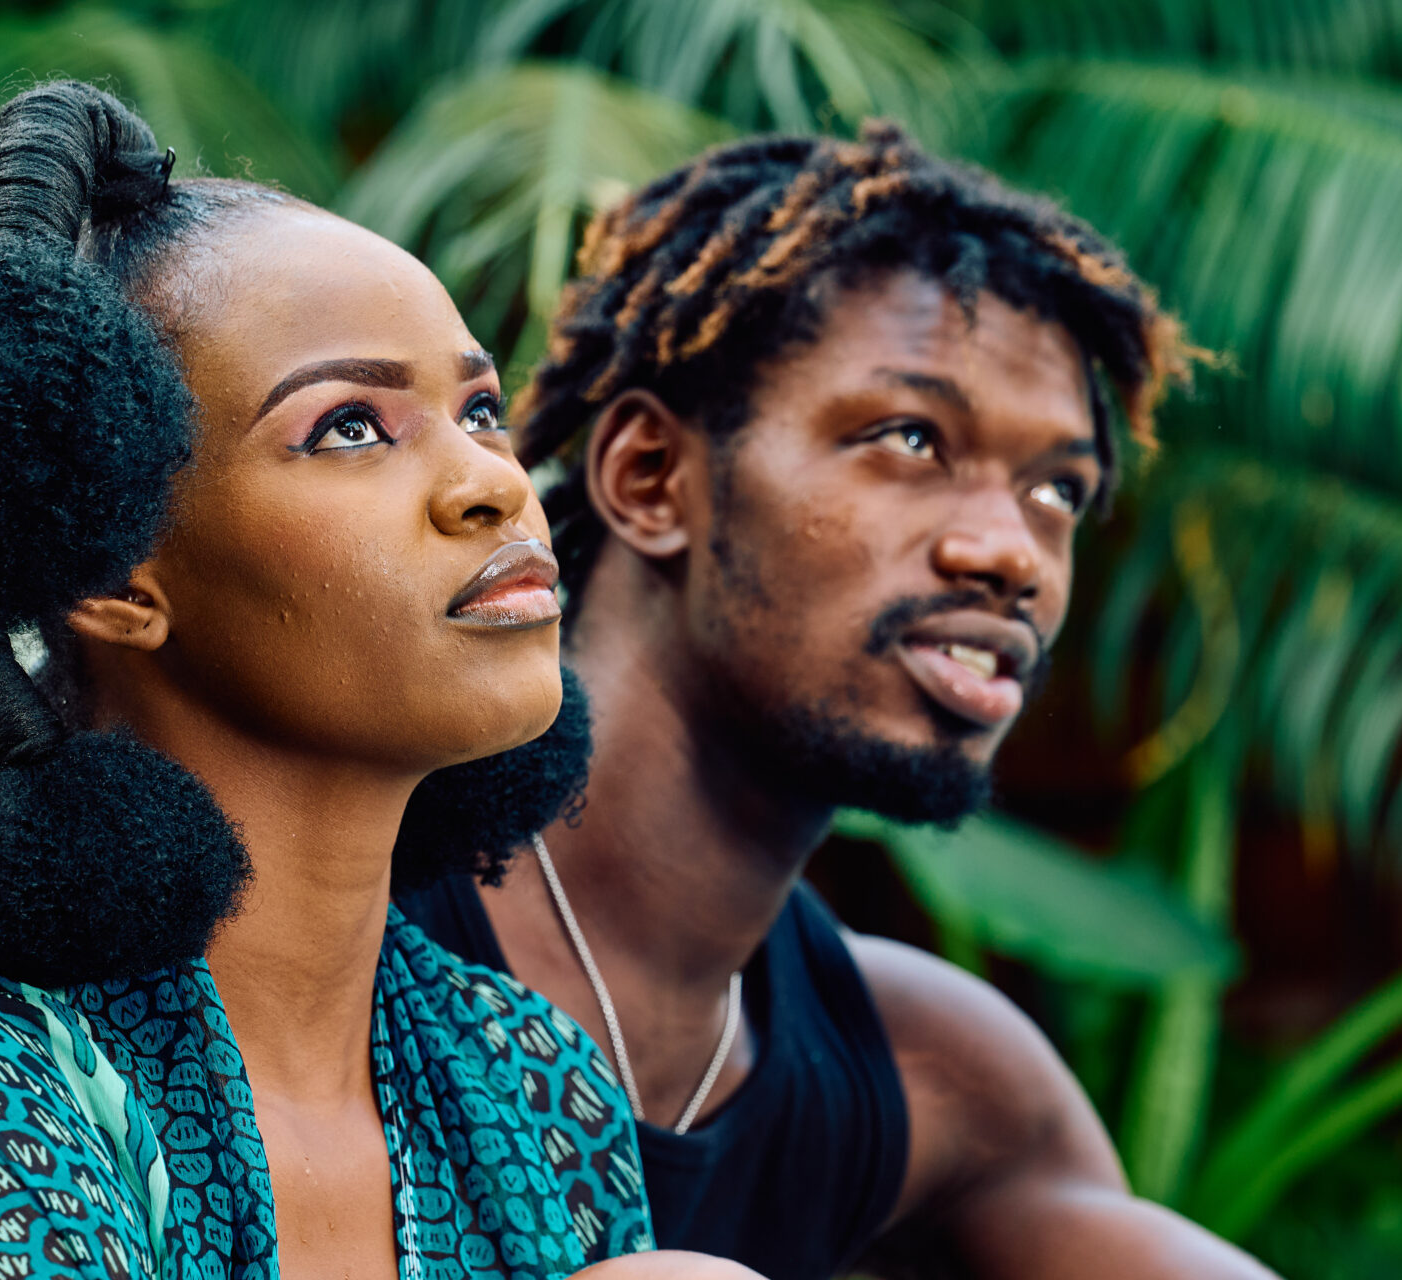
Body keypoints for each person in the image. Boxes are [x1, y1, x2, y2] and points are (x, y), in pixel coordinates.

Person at [0, 81, 690, 1280]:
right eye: (351, 424)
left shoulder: (532, 1085)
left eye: (481, 408)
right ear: (115, 577)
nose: (494, 483)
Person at [397, 127, 1281, 1278]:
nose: (1012, 555)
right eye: (911, 438)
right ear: (652, 479)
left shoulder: (935, 1075)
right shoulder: (326, 911)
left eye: (1059, 487)